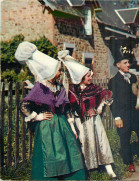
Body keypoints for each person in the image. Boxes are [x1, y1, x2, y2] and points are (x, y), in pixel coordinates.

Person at [15, 42, 86, 180]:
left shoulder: (59, 87)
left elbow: (66, 108)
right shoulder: (40, 87)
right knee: (49, 154)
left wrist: (72, 127)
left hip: (62, 124)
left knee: (69, 151)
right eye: (59, 71)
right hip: (47, 126)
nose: (60, 73)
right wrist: (37, 116)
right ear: (50, 72)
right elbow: (24, 105)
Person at [58, 51, 117, 179]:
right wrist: (72, 120)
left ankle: (110, 170)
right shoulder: (72, 90)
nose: (91, 78)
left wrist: (100, 106)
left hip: (94, 121)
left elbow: (107, 94)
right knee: (84, 144)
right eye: (88, 76)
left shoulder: (94, 88)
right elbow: (67, 106)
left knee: (101, 142)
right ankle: (87, 170)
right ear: (81, 77)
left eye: (90, 75)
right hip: (79, 122)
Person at [108, 56, 139, 172]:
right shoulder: (113, 81)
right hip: (123, 115)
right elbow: (111, 101)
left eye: (128, 62)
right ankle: (129, 162)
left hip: (137, 114)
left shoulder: (134, 77)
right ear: (118, 65)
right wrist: (117, 117)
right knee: (125, 139)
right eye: (125, 63)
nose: (128, 65)